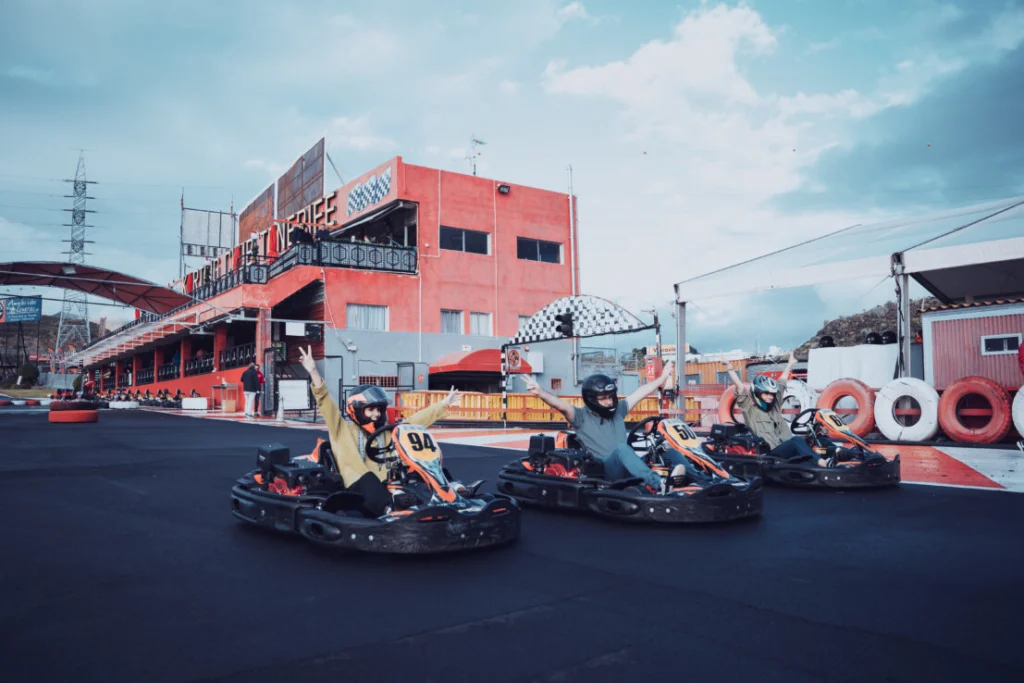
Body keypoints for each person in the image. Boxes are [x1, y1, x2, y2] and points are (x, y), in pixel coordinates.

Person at [298, 345, 462, 517]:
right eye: (371, 410)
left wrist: (443, 405)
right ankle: (390, 509)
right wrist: (313, 371)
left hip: (389, 482)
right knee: (369, 479)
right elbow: (325, 402)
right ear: (356, 409)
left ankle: (452, 492)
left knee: (423, 466)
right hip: (358, 484)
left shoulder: (385, 431)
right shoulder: (341, 429)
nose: (376, 414)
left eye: (379, 410)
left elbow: (413, 423)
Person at [524, 363, 687, 493]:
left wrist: (663, 377)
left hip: (627, 465)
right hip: (606, 470)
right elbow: (561, 406)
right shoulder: (581, 417)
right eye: (603, 398)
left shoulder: (619, 410)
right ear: (592, 399)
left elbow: (640, 393)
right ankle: (660, 484)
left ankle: (697, 479)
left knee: (665, 448)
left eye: (610, 397)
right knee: (622, 449)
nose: (609, 402)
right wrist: (540, 392)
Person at [726, 352, 829, 466]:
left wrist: (790, 364)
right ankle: (822, 463)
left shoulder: (774, 405)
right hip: (771, 455)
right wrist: (729, 368)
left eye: (772, 394)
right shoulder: (750, 410)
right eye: (767, 394)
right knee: (796, 441)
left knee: (818, 438)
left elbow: (781, 383)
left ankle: (841, 456)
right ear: (758, 393)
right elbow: (740, 387)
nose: (770, 397)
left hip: (786, 449)